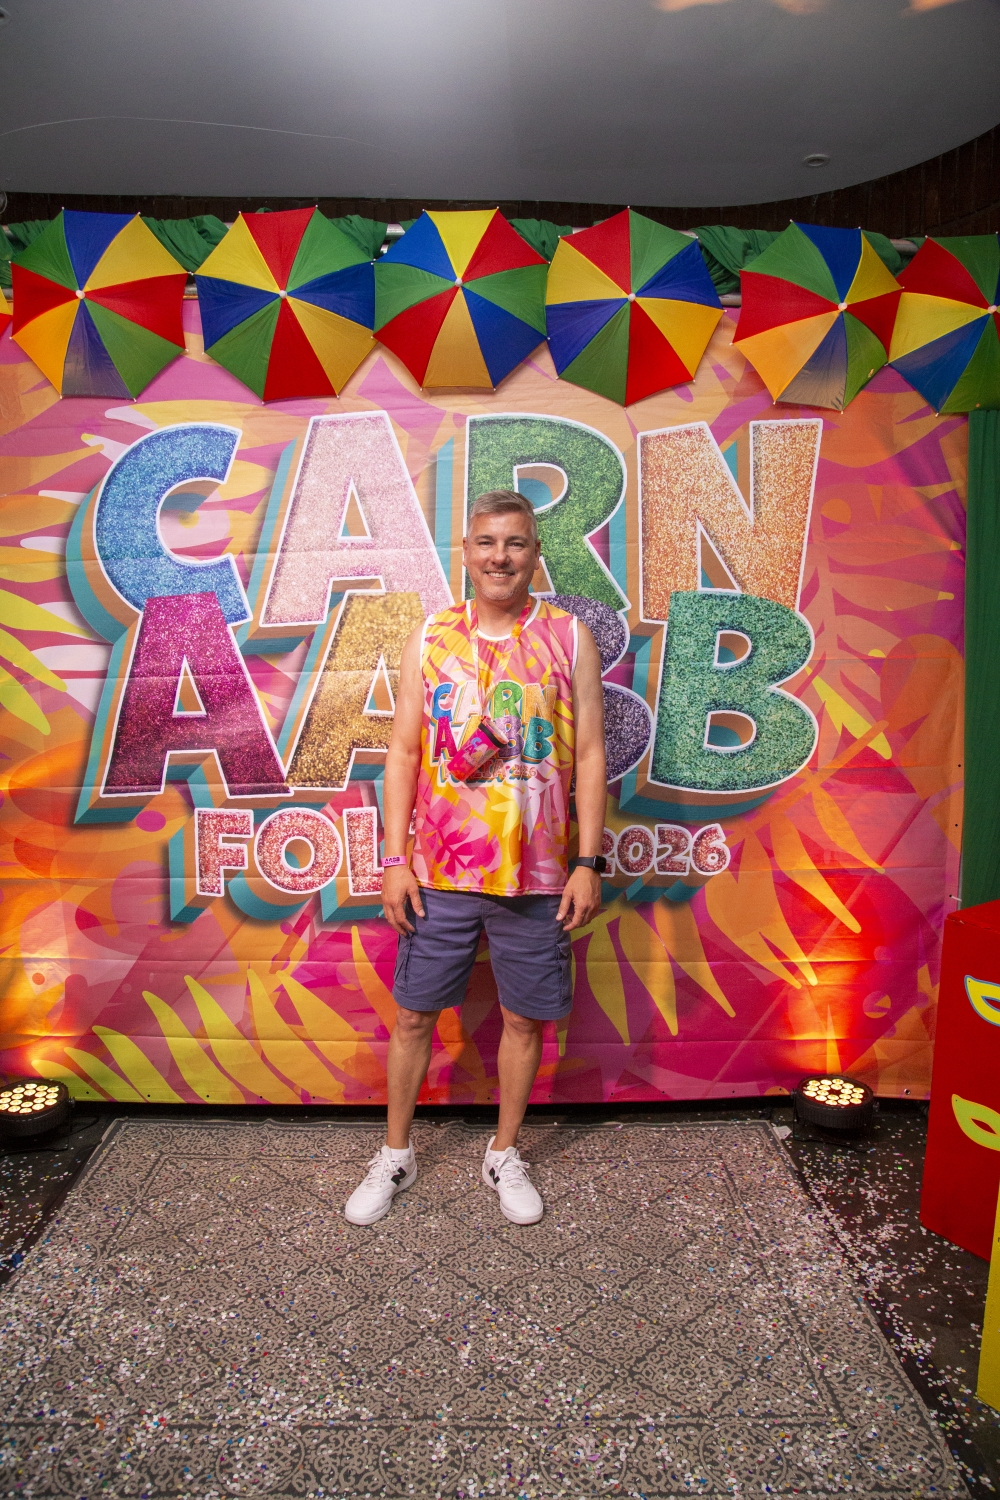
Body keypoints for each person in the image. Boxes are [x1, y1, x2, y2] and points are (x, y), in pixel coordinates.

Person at [344, 489, 607, 1227]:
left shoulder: (569, 636)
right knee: (413, 1017)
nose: (500, 557)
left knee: (525, 1021)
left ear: (535, 554)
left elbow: (590, 753)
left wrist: (589, 861)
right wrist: (394, 859)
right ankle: (395, 1154)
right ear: (465, 552)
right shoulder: (431, 636)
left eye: (516, 543)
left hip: (539, 876)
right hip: (439, 873)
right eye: (487, 542)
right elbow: (403, 753)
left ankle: (504, 1152)